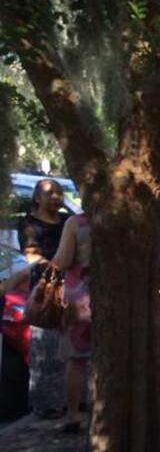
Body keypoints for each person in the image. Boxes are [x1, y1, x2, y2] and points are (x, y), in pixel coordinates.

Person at [20, 178, 70, 419]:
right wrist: (56, 266)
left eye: (59, 193)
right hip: (45, 292)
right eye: (50, 193)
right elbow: (32, 257)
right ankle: (47, 405)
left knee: (72, 349)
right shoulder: (29, 224)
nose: (56, 197)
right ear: (37, 197)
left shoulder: (68, 222)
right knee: (46, 349)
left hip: (72, 289)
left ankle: (74, 400)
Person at [51, 212, 92, 434]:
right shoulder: (122, 217)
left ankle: (73, 413)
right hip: (112, 297)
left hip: (79, 299)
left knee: (76, 360)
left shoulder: (76, 223)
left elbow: (64, 260)